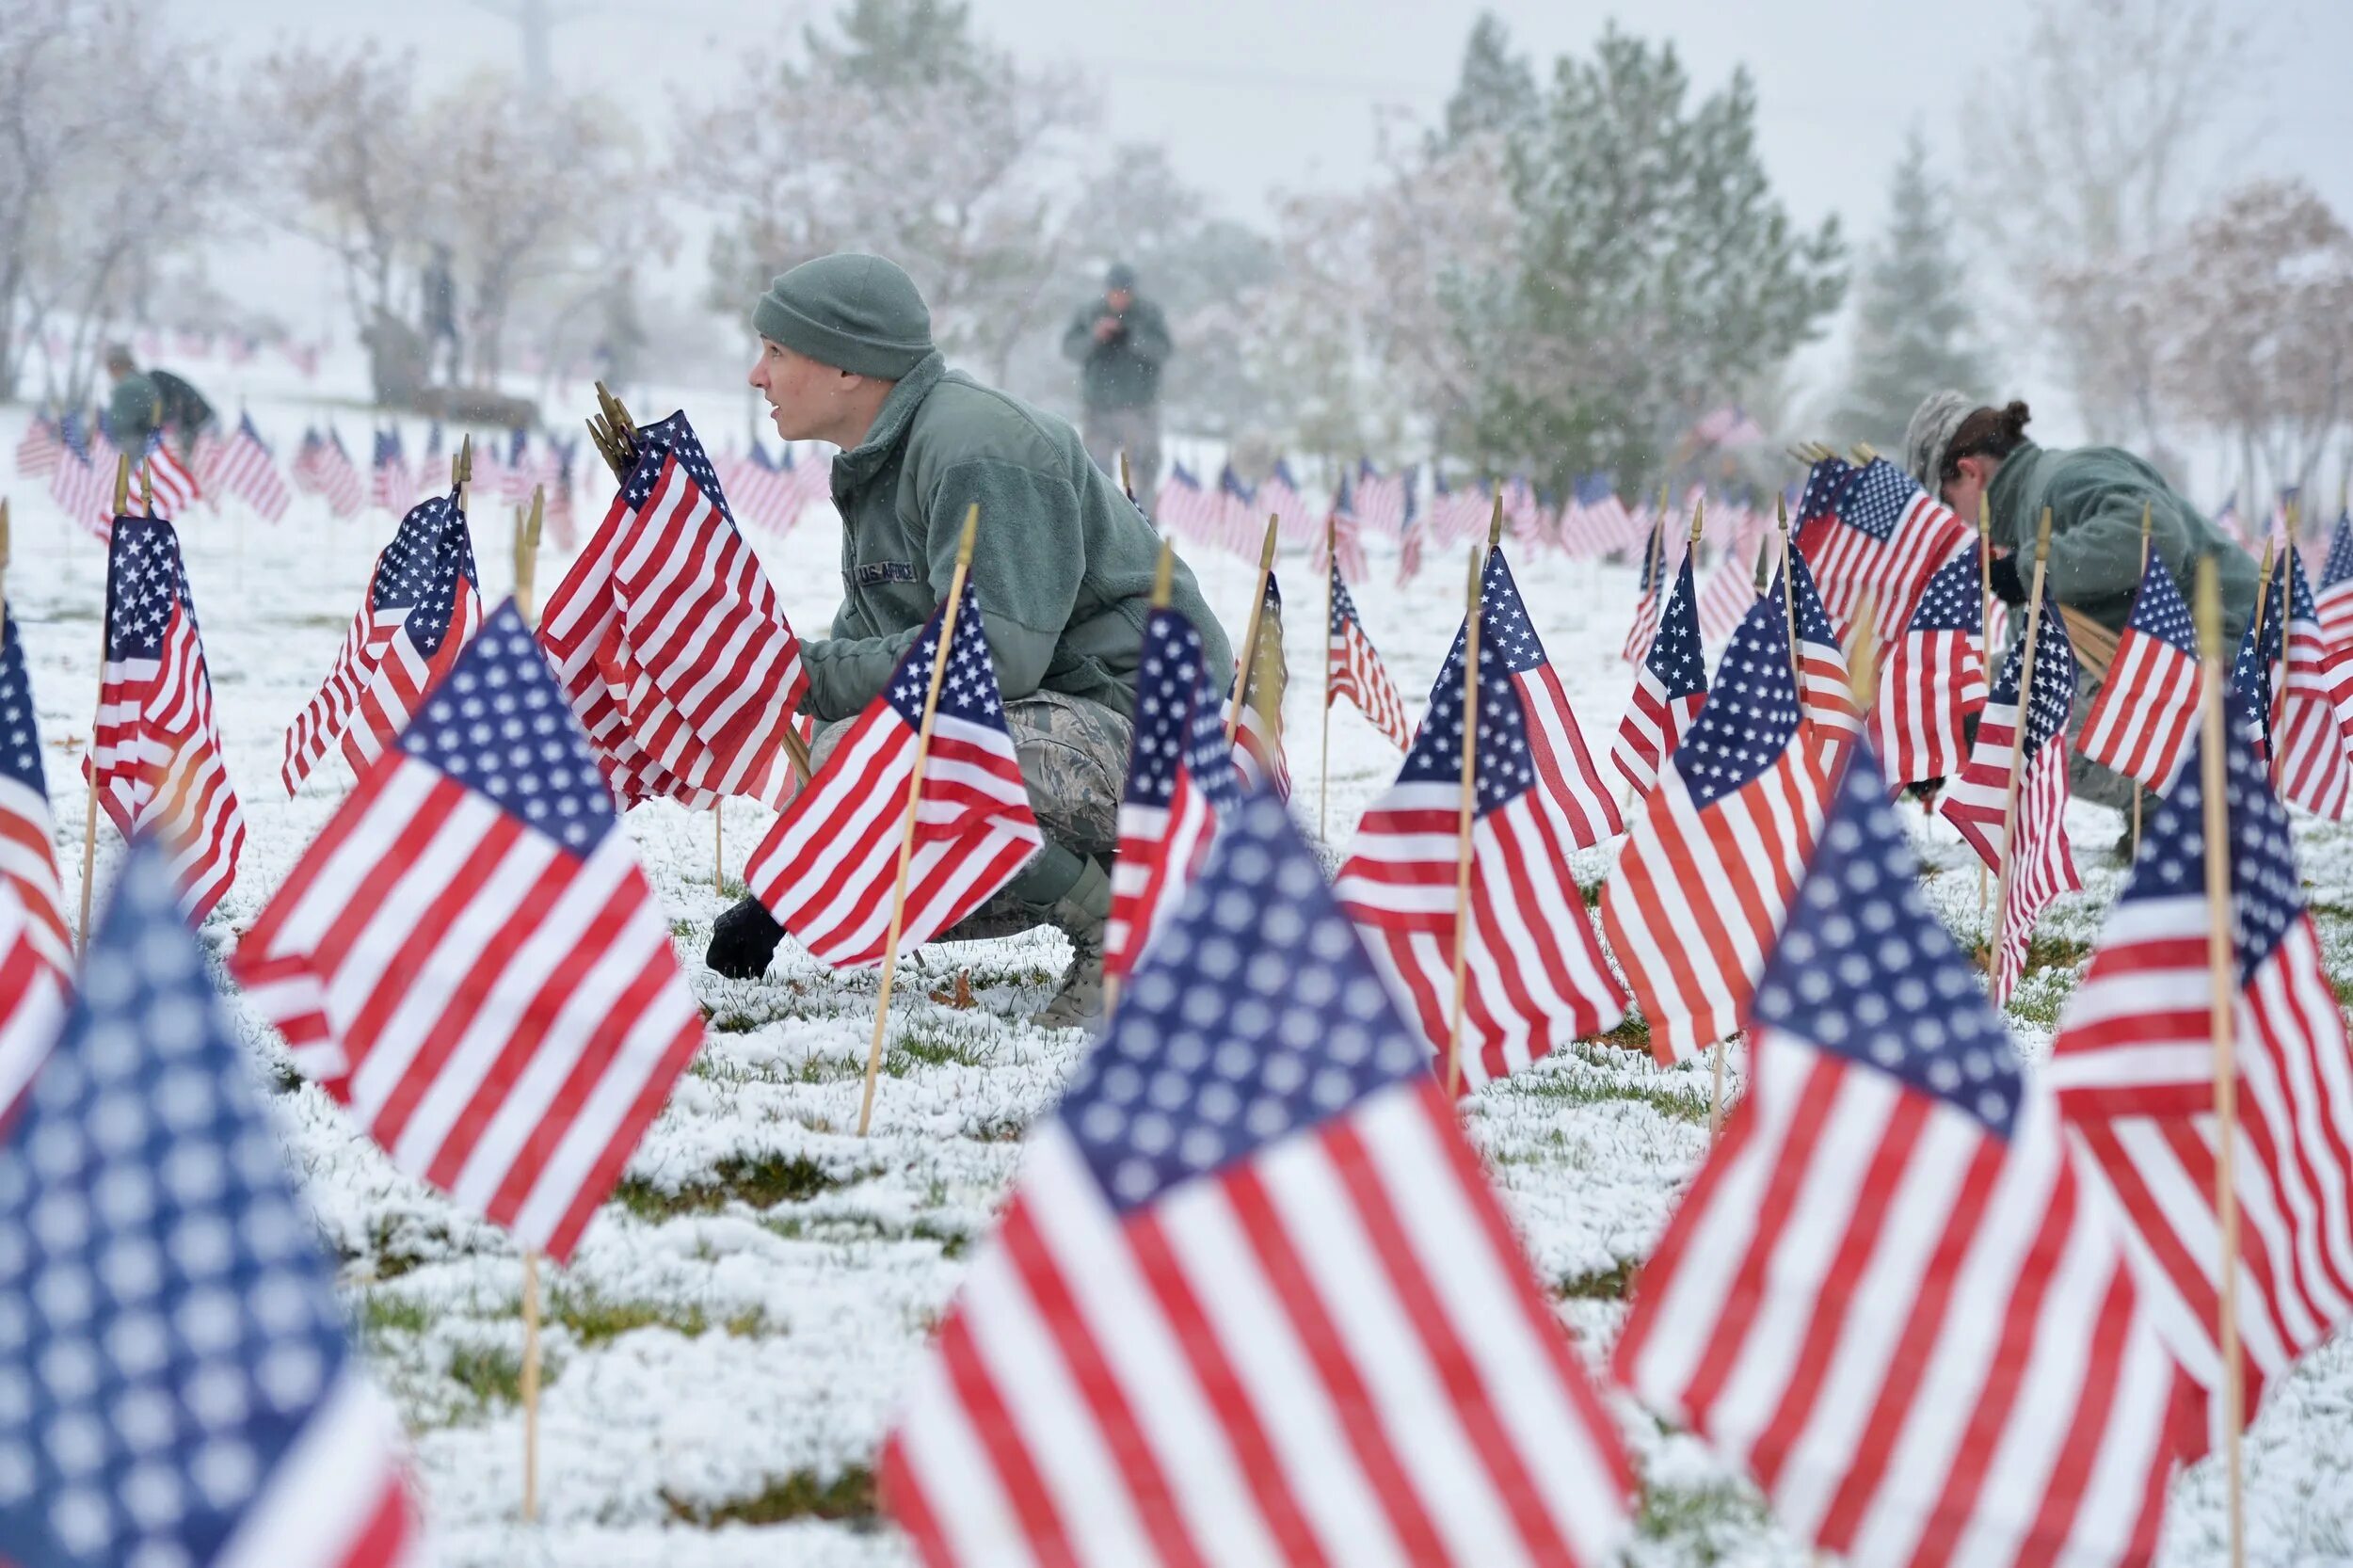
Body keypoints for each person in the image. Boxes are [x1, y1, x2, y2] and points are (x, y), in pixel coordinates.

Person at [706, 252, 1232, 1028]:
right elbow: (874, 663)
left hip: (1154, 744)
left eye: (777, 352)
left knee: (923, 751)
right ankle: (1136, 904)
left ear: (850, 368)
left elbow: (989, 664)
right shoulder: (884, 457)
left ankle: (1122, 930)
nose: (759, 375)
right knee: (835, 755)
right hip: (1065, 729)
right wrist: (778, 899)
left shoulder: (977, 447)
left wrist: (801, 671)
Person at [1904, 392, 2258, 823]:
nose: (1956, 521)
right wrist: (1943, 732)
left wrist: (2030, 570)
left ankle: (2185, 813)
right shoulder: (2028, 513)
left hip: (2227, 665)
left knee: (2018, 734)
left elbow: (2158, 534)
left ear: (1969, 472)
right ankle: (2169, 803)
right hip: (2164, 670)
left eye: (1946, 502)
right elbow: (2033, 663)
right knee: (1955, 690)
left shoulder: (2064, 478)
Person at [1061, 262, 1171, 506]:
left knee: (1143, 470)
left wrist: (1133, 338)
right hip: (1098, 407)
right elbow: (1070, 348)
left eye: (1125, 292)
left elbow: (1163, 349)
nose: (1120, 298)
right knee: (1095, 471)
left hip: (1138, 407)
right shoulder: (1090, 313)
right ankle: (1100, 522)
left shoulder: (1148, 314)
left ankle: (1144, 526)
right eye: (1115, 292)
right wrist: (1096, 337)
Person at [421, 243, 461, 385]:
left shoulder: (443, 274)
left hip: (444, 317)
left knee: (454, 344)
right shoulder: (433, 273)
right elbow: (431, 296)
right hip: (436, 317)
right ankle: (427, 377)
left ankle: (451, 378)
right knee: (430, 348)